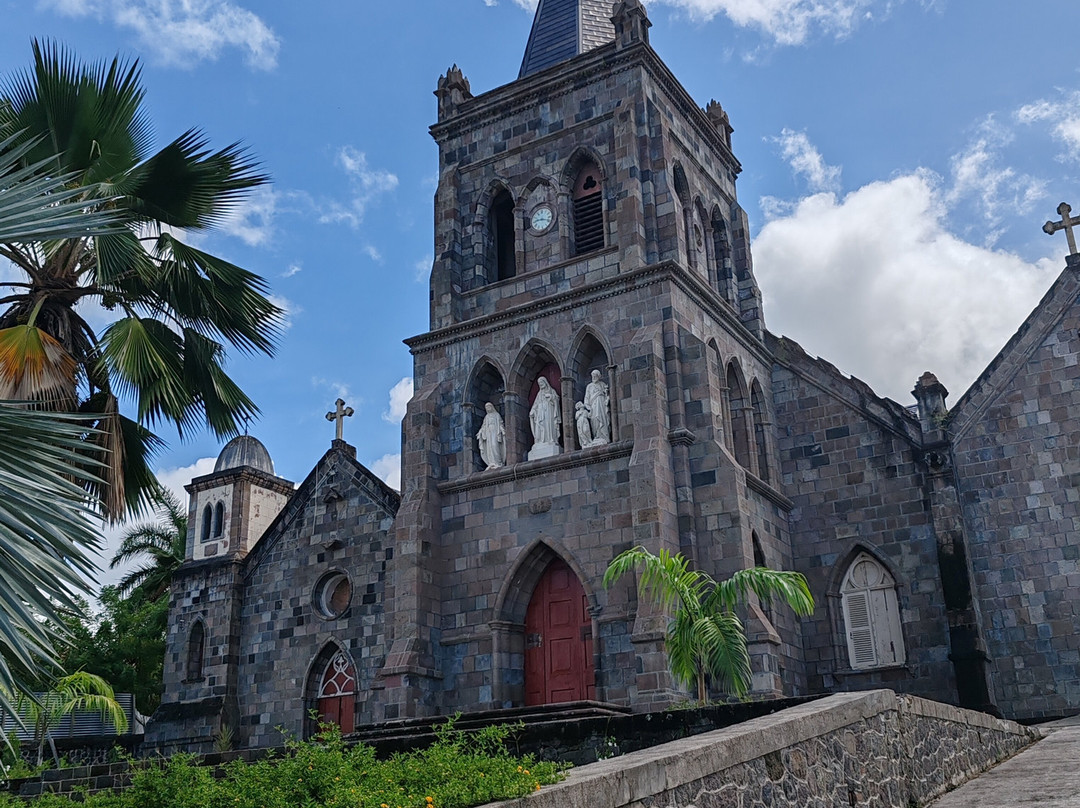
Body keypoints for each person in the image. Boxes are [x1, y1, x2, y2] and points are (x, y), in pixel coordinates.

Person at [529, 376, 561, 449]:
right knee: (540, 426)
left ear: (545, 382)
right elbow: (535, 404)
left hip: (549, 411)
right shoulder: (539, 394)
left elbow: (556, 399)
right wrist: (533, 411)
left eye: (541, 382)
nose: (540, 384)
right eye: (539, 383)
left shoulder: (551, 391)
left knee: (548, 425)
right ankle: (540, 441)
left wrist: (550, 397)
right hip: (540, 413)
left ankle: (550, 439)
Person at [583, 369, 610, 445]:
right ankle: (597, 436)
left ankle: (604, 436)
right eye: (593, 376)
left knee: (602, 419)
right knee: (595, 421)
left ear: (599, 376)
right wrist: (588, 407)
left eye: (595, 375)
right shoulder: (589, 386)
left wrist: (607, 396)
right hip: (593, 407)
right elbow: (586, 398)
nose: (594, 377)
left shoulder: (602, 384)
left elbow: (606, 396)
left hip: (601, 406)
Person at [476, 402, 505, 469]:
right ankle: (491, 462)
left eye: (489, 407)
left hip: (495, 432)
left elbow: (500, 423)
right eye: (486, 407)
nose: (487, 408)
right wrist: (480, 432)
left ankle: (498, 462)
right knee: (490, 448)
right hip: (488, 433)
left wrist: (502, 430)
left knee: (494, 445)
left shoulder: (496, 415)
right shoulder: (486, 417)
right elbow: (484, 426)